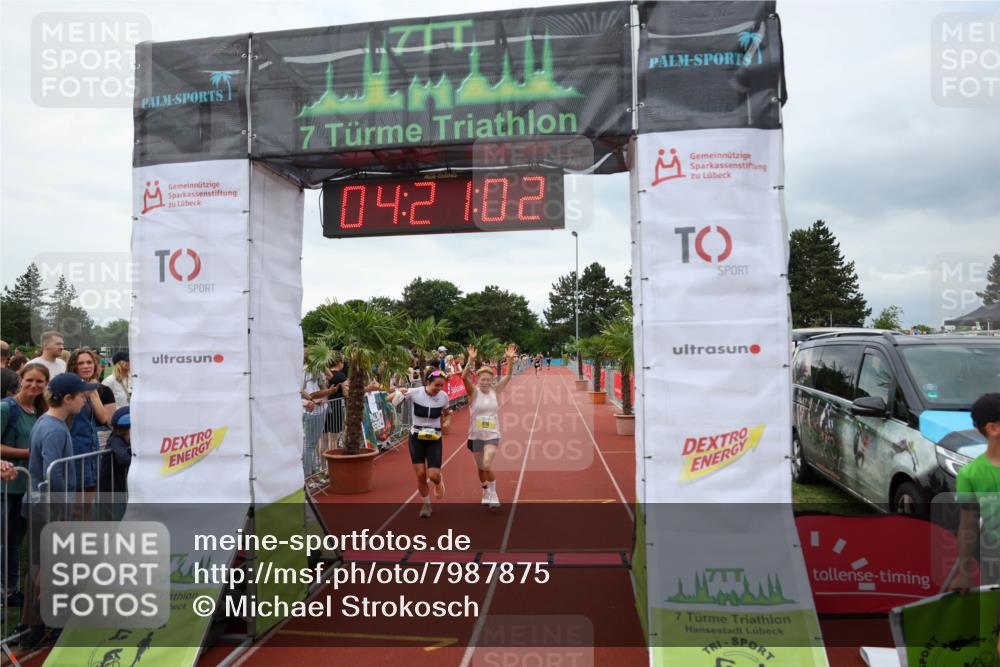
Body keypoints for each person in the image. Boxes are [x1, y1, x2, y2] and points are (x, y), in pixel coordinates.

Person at [22, 372, 96, 649]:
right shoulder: (53, 428)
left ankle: (35, 625)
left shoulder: (47, 422)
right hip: (49, 507)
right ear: (67, 399)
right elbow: (53, 471)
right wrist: (66, 506)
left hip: (43, 505)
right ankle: (44, 623)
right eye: (82, 397)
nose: (85, 401)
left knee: (42, 564)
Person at [1, 362, 48, 608]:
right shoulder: (6, 408)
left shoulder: (40, 411)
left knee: (16, 540)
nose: (34, 385)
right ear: (21, 379)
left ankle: (10, 591)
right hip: (6, 487)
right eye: (30, 380)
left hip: (28, 486)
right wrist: (28, 453)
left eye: (40, 381)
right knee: (3, 540)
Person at [389, 369, 452, 517]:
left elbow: (447, 413)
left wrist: (448, 422)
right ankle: (426, 504)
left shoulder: (443, 397)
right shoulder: (415, 392)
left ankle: (438, 481)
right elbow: (389, 399)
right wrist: (399, 392)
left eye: (441, 385)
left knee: (434, 474)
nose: (439, 389)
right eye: (436, 385)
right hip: (417, 437)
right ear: (428, 383)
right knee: (421, 474)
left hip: (434, 438)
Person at [462, 344, 517, 508]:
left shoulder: (495, 390)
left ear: (492, 380)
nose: (485, 382)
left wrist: (510, 359)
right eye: (482, 379)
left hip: (492, 435)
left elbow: (507, 376)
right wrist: (470, 361)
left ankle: (494, 493)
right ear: (478, 380)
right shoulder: (473, 392)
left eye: (488, 379)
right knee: (480, 469)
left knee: (487, 464)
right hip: (475, 435)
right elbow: (464, 377)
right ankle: (485, 490)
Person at [66, 349, 115, 498]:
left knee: (88, 505)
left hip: (94, 451)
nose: (86, 366)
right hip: (74, 451)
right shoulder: (68, 389)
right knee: (76, 506)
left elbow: (104, 419)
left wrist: (93, 394)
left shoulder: (99, 390)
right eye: (81, 363)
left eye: (89, 362)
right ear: (74, 366)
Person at [98, 407, 132, 519]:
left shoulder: (123, 440)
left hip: (118, 486)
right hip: (109, 490)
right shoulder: (115, 440)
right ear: (128, 429)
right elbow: (124, 459)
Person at [312, 357, 347, 455]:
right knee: (333, 439)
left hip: (322, 407)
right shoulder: (341, 376)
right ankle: (331, 466)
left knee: (322, 439)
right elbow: (346, 393)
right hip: (335, 409)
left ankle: (323, 467)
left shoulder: (322, 374)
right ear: (339, 363)